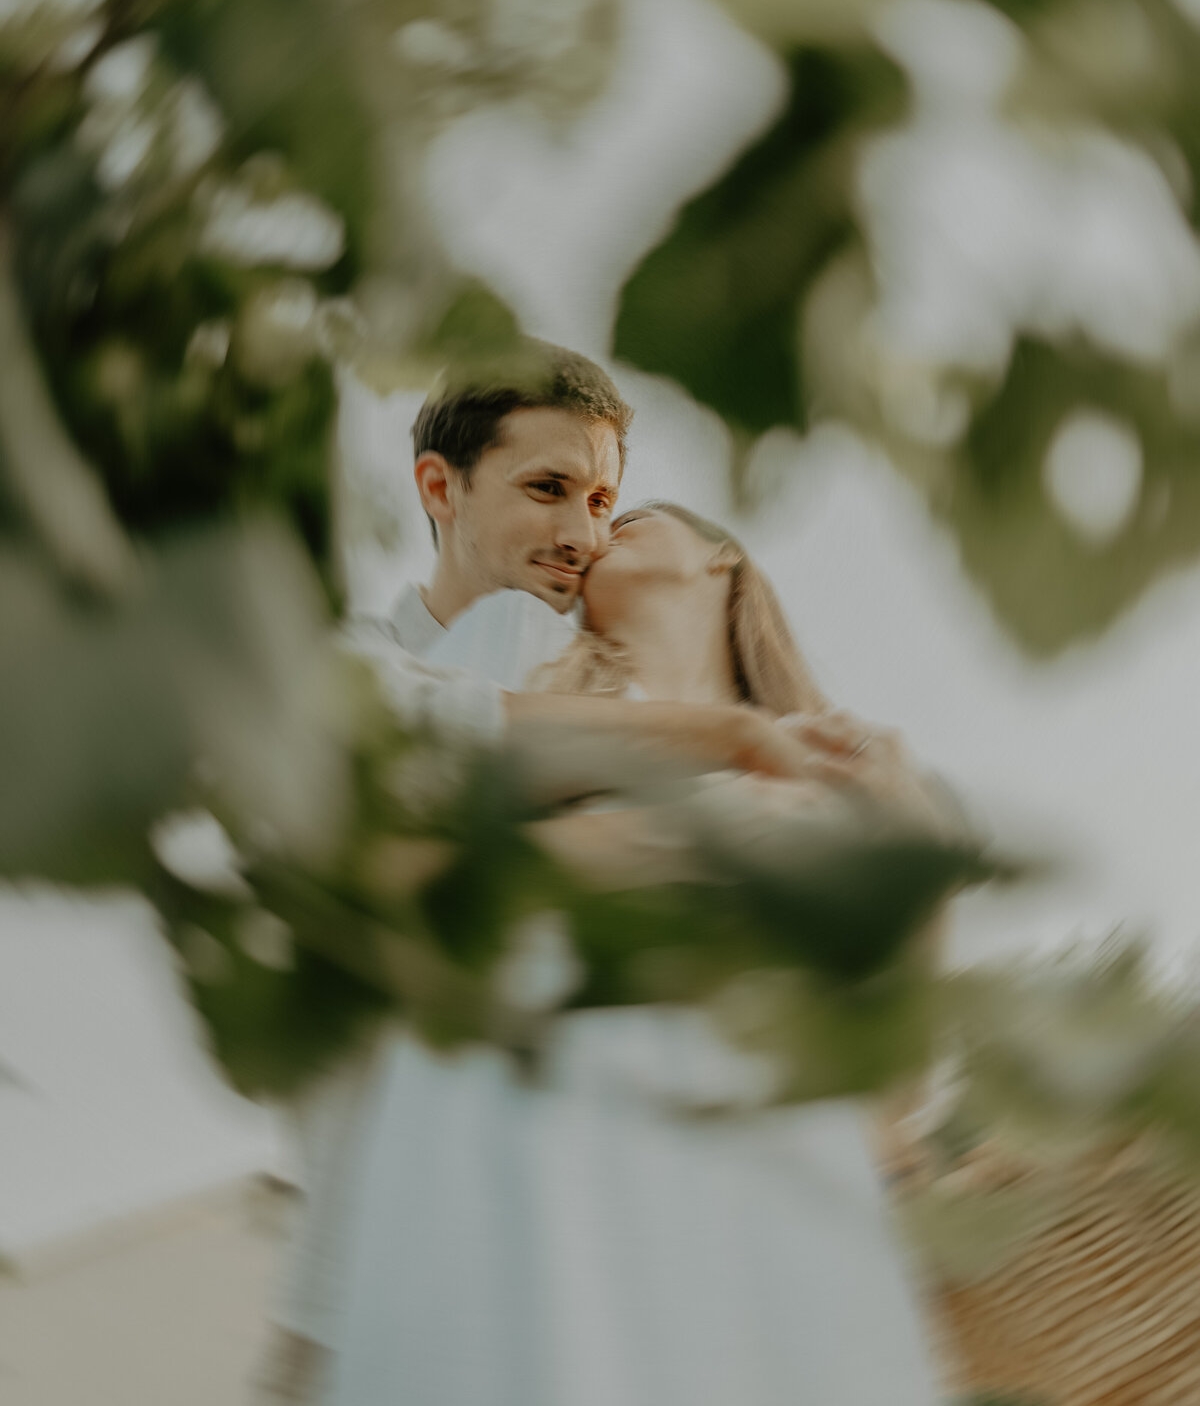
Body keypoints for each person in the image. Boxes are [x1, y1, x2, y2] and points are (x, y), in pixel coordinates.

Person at [261, 342, 854, 1403]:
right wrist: (721, 752)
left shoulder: (610, 704)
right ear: (440, 488)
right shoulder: (336, 669)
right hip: (364, 1288)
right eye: (548, 490)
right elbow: (413, 786)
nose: (583, 535)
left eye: (602, 497)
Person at [317, 493, 945, 1406]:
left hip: (767, 1196)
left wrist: (913, 862)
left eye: (633, 513)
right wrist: (667, 840)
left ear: (720, 559)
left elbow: (892, 1100)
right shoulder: (514, 650)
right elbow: (384, 872)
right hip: (548, 1153)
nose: (596, 531)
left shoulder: (840, 763)